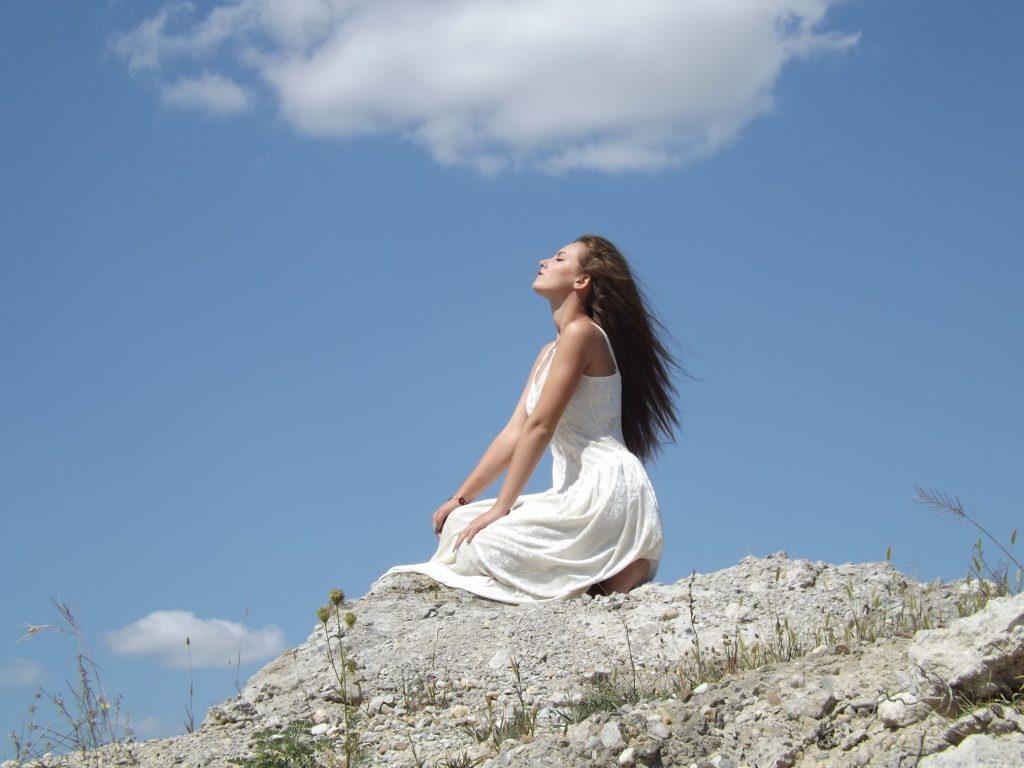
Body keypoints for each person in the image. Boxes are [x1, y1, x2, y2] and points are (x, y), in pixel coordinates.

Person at [380, 234, 684, 605]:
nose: (543, 261)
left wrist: (500, 508)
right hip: (569, 492)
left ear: (581, 281)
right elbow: (515, 432)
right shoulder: (548, 351)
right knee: (459, 526)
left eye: (559, 258)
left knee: (482, 540)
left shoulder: (582, 333)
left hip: (605, 492)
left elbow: (541, 428)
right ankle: (599, 576)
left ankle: (618, 562)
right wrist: (459, 499)